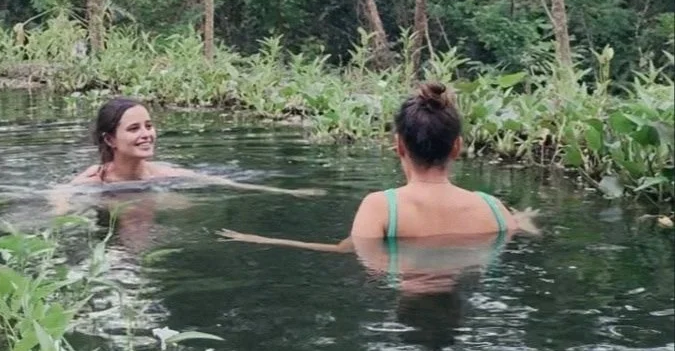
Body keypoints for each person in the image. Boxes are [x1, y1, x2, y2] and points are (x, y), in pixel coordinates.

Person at [219, 80, 536, 257]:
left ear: (399, 146)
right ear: (457, 146)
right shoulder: (495, 211)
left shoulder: (381, 207)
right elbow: (517, 230)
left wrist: (260, 239)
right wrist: (521, 218)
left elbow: (342, 250)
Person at [64, 97, 322, 196]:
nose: (146, 134)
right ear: (110, 139)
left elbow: (219, 182)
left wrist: (285, 193)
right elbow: (60, 196)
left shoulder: (162, 173)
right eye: (134, 129)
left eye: (149, 126)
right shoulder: (94, 180)